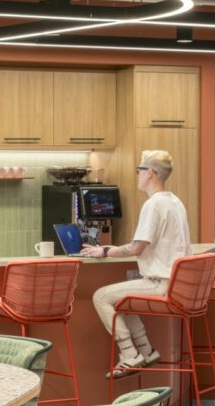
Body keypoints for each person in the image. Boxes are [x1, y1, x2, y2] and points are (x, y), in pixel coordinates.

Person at [82, 149, 191, 374]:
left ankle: (130, 355)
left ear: (150, 173)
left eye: (139, 170)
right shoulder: (175, 201)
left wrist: (104, 251)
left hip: (161, 284)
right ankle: (146, 350)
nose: (137, 175)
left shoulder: (153, 205)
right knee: (124, 298)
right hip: (177, 283)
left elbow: (137, 247)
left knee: (101, 296)